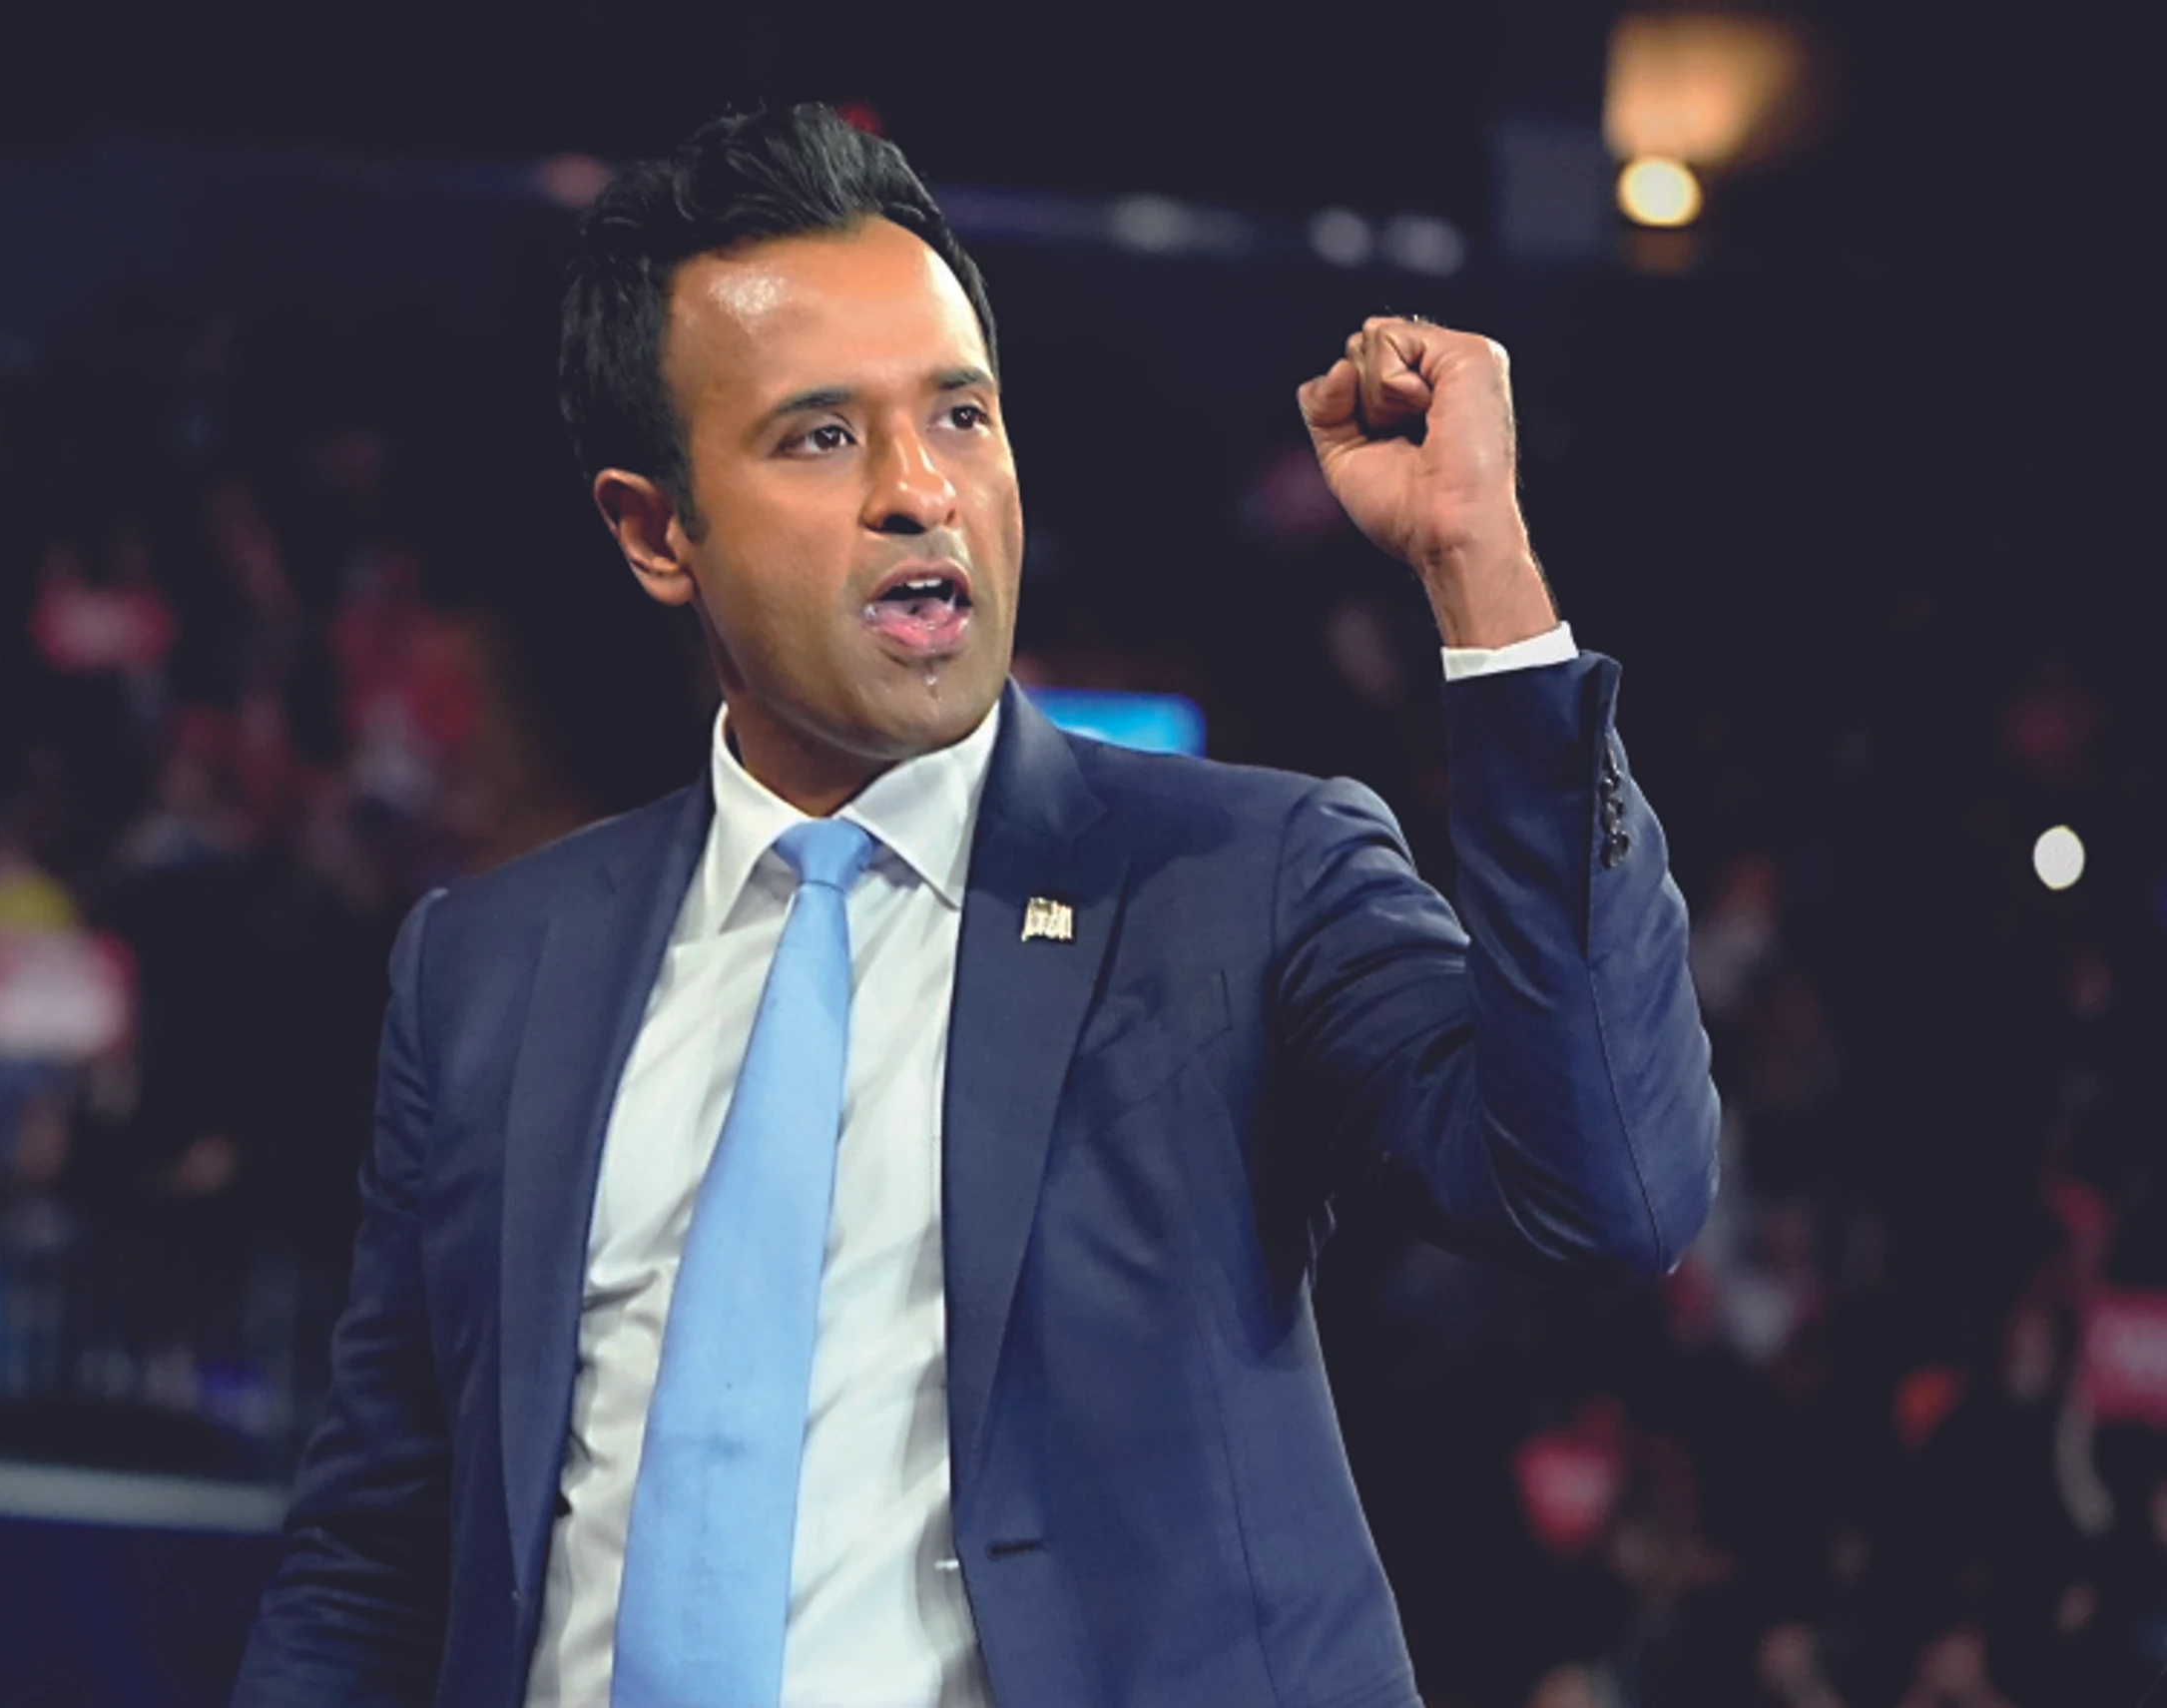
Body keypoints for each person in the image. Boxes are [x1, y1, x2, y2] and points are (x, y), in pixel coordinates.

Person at [235, 105, 1718, 1708]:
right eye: (819, 437)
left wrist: (1481, 573)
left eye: (958, 414)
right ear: (658, 531)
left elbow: (1609, 1185)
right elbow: (377, 1554)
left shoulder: (1236, 880)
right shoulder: (487, 969)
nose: (918, 489)